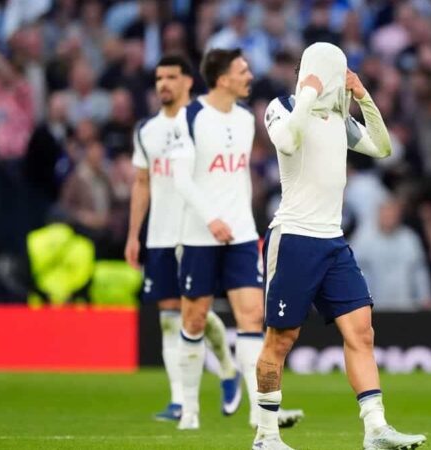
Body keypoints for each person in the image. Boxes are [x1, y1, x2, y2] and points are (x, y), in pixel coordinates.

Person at [254, 42, 426, 450]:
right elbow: (290, 141)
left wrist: (364, 98)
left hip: (332, 240)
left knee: (362, 331)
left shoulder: (338, 118)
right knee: (281, 339)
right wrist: (310, 93)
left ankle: (376, 429)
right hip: (293, 236)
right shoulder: (282, 106)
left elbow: (382, 148)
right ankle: (265, 435)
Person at [169, 48, 302, 430]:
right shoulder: (189, 117)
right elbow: (182, 178)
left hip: (241, 235)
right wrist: (210, 218)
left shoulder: (246, 119)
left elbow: (238, 176)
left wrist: (242, 220)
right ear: (223, 78)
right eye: (243, 71)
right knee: (193, 319)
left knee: (251, 317)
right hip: (199, 234)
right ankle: (190, 410)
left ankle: (258, 412)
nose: (249, 76)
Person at [124, 55, 240, 422]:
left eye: (171, 77)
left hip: (196, 232)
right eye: (159, 78)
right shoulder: (146, 130)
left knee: (197, 314)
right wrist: (133, 235)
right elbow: (142, 183)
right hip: (160, 234)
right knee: (170, 317)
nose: (163, 84)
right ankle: (179, 401)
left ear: (189, 82)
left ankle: (226, 366)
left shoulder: (204, 121)